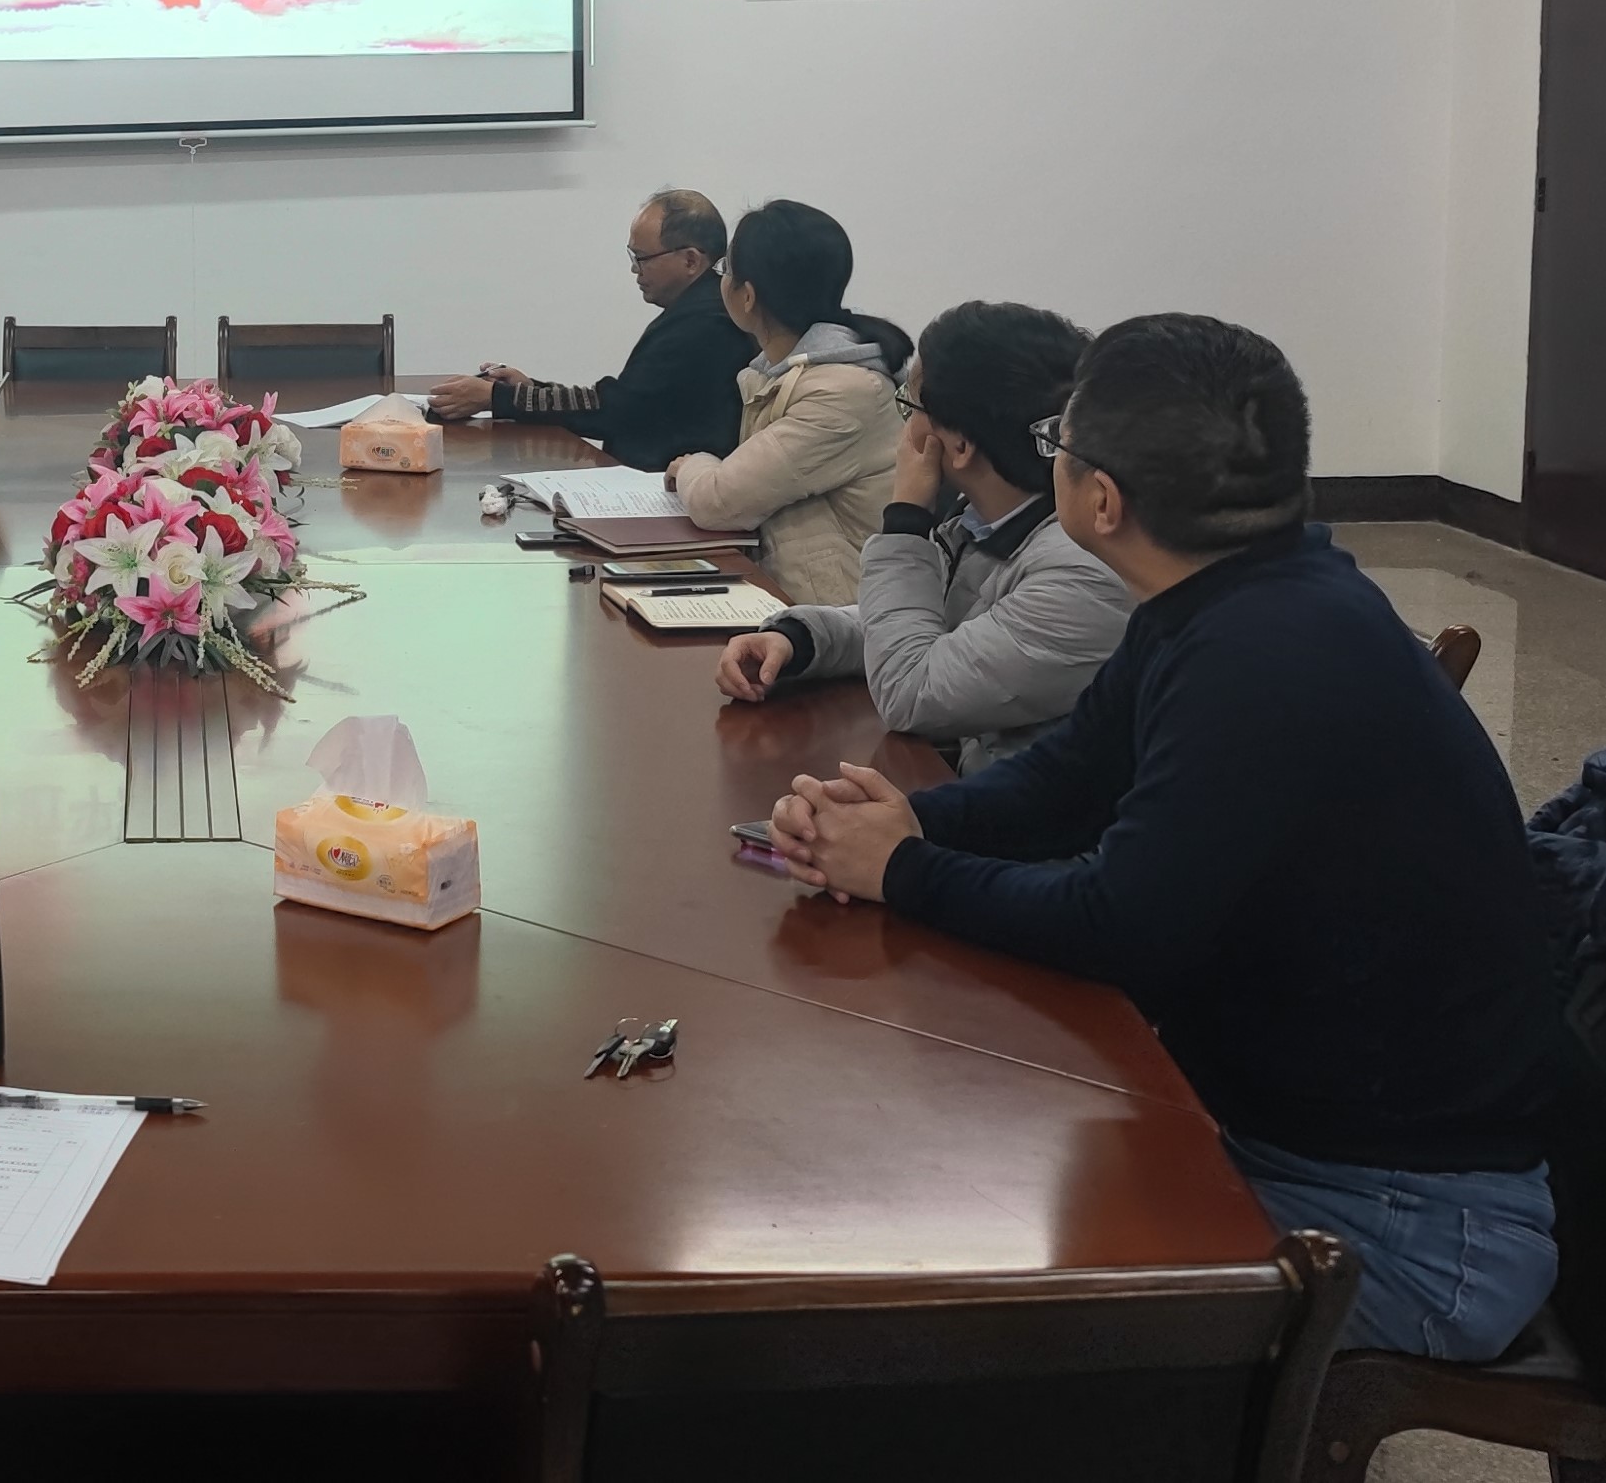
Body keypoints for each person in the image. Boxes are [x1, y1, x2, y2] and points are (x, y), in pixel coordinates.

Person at [765, 315, 1561, 1361]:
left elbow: (1120, 924)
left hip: (1406, 1224)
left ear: (1099, 500)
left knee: (930, 1292)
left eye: (1058, 444)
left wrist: (904, 868)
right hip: (1308, 1136)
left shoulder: (1260, 654)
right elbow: (1064, 783)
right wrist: (898, 821)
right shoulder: (1232, 595)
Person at [718, 301, 1132, 771]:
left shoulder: (1082, 572)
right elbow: (923, 626)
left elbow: (911, 691)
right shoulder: (990, 522)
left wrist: (905, 520)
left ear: (959, 445)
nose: (906, 428)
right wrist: (801, 639)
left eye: (910, 406)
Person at [666, 200, 908, 605]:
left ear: (747, 297)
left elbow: (717, 502)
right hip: (794, 598)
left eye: (726, 270)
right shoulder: (781, 372)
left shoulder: (842, 392)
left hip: (843, 618)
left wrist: (691, 464)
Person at [425, 188, 755, 471]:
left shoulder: (705, 324)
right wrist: (530, 389)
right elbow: (621, 400)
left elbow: (612, 409)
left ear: (691, 261)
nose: (634, 270)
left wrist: (499, 398)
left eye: (641, 258)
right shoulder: (701, 307)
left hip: (665, 495)